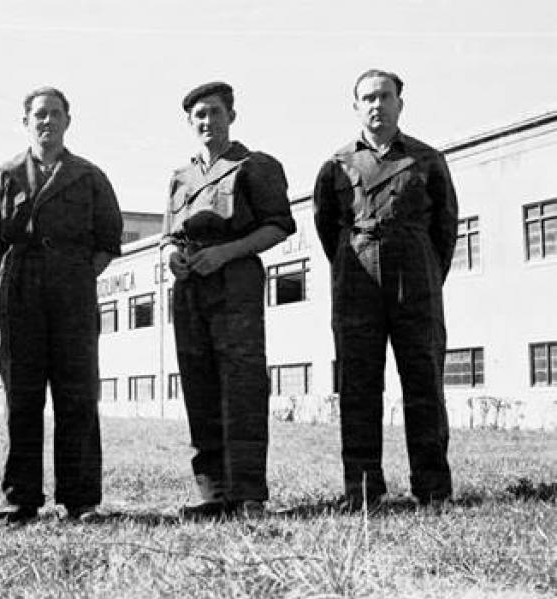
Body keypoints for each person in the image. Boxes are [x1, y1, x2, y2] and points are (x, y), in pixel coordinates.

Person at [313, 69, 458, 510]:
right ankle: (362, 491)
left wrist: (425, 272)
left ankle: (433, 490)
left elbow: (445, 228)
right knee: (358, 387)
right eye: (367, 98)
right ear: (355, 106)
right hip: (357, 283)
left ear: (400, 102)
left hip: (416, 283)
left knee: (424, 383)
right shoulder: (336, 165)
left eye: (385, 96)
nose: (376, 105)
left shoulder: (427, 159)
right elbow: (326, 229)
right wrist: (353, 262)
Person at [0, 87, 123, 523]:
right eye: (39, 115)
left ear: (68, 120)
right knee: (21, 396)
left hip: (73, 291)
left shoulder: (89, 176)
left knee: (77, 395)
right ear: (26, 122)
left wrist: (74, 275)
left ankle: (80, 500)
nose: (47, 121)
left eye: (55, 114)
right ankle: (20, 499)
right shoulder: (5, 175)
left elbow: (107, 240)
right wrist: (23, 274)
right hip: (20, 291)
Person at [164, 82, 296, 519]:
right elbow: (169, 236)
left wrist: (225, 252)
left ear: (231, 116)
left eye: (215, 112)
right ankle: (213, 494)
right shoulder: (180, 177)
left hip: (234, 282)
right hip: (189, 290)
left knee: (241, 385)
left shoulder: (255, 166)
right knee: (198, 386)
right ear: (189, 122)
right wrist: (171, 257)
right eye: (199, 115)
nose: (207, 121)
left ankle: (248, 494)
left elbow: (279, 226)